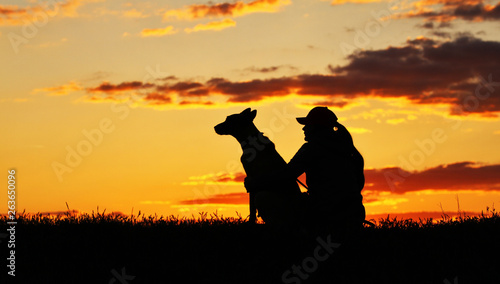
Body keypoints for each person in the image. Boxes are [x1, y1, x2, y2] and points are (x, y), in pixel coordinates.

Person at [246, 106, 366, 233]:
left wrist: (256, 181)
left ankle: (287, 238)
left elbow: (287, 174)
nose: (304, 128)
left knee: (262, 198)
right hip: (354, 215)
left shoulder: (312, 148)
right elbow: (359, 184)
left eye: (307, 125)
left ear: (315, 127)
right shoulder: (351, 151)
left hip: (326, 215)